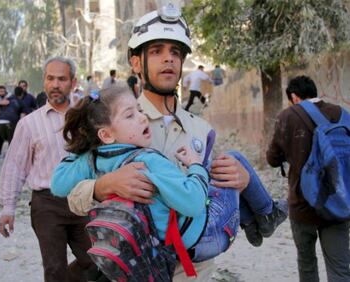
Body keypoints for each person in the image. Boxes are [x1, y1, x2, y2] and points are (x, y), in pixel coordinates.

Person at [63, 4, 281, 280]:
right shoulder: (111, 122)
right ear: (136, 62)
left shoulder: (202, 128)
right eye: (156, 51)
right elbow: (71, 199)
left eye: (175, 52)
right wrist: (103, 185)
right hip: (138, 268)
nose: (168, 59)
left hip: (194, 270)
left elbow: (210, 198)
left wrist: (241, 180)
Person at [51, 85, 287, 265]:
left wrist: (84, 153)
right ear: (106, 135)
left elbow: (58, 185)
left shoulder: (93, 160)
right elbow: (194, 203)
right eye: (130, 115)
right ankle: (265, 215)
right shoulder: (148, 161)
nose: (142, 118)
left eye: (140, 110)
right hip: (206, 237)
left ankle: (257, 221)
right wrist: (195, 166)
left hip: (165, 244)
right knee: (233, 158)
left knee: (220, 172)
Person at [0, 57, 103, 282]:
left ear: (73, 82)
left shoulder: (89, 117)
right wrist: (8, 207)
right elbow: (15, 166)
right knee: (54, 270)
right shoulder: (29, 124)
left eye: (62, 79)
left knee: (98, 264)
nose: (55, 84)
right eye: (50, 78)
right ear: (44, 82)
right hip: (46, 205)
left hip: (84, 200)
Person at [266, 75, 350, 282]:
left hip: (302, 204)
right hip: (338, 203)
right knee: (340, 268)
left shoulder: (288, 116)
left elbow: (272, 158)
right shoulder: (342, 114)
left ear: (294, 96)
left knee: (307, 264)